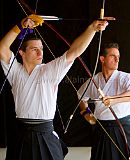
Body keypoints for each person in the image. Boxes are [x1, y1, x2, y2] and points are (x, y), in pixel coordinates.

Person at [0, 14, 112, 160]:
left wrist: (92, 29)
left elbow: (74, 51)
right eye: (34, 49)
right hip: (21, 135)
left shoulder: (49, 70)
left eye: (41, 48)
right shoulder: (15, 71)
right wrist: (20, 26)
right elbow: (2, 47)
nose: (40, 52)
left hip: (45, 133)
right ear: (21, 53)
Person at [78, 43, 130, 160]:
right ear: (102, 59)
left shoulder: (125, 78)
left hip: (123, 128)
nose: (117, 59)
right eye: (113, 56)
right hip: (102, 130)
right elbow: (81, 97)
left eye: (118, 56)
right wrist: (86, 113)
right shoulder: (93, 81)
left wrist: (113, 99)